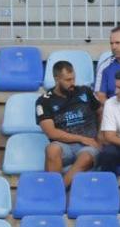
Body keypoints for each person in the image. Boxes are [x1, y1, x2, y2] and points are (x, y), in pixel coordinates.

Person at [37, 59, 102, 188]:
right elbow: (51, 132)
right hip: (65, 146)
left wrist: (100, 137)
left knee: (86, 157)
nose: (72, 83)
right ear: (56, 79)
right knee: (52, 149)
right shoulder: (44, 101)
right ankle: (56, 190)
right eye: (67, 80)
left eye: (73, 79)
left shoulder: (85, 92)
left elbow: (101, 112)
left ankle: (57, 190)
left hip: (88, 144)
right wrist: (82, 139)